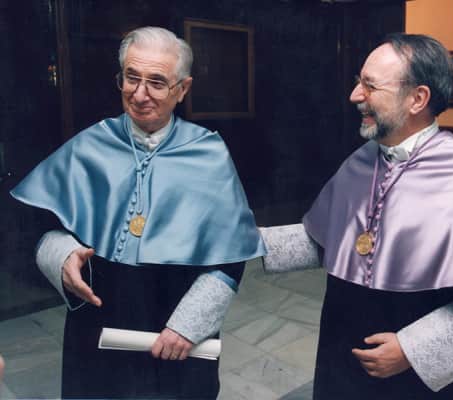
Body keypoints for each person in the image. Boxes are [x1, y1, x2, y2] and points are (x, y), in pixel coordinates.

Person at [261, 33, 453, 399]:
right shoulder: (360, 161)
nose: (355, 95)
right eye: (358, 82)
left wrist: (414, 351)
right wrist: (252, 242)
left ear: (417, 98)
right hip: (339, 361)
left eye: (370, 86)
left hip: (414, 382)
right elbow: (329, 242)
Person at [11, 26, 265, 399]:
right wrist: (61, 256)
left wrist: (188, 326)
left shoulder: (209, 154)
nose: (140, 94)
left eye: (157, 82)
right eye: (131, 78)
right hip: (96, 331)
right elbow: (37, 224)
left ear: (182, 89)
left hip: (175, 338)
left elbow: (230, 258)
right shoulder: (89, 146)